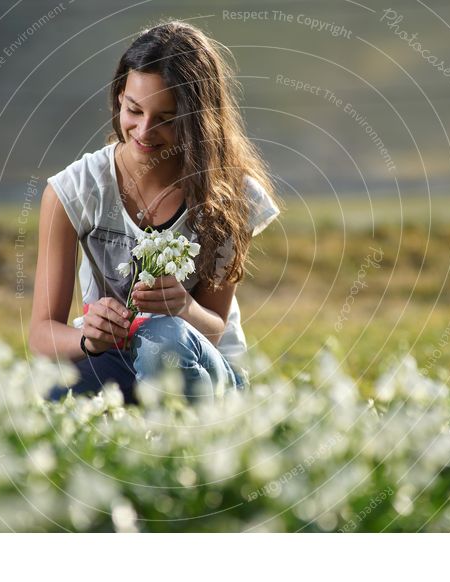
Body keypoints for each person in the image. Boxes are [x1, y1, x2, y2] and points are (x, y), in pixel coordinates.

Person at [29, 20, 281, 405]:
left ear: (198, 120)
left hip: (201, 364)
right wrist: (87, 336)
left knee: (163, 339)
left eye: (165, 119)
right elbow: (42, 333)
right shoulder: (73, 191)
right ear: (118, 97)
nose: (144, 131)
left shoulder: (229, 195)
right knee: (52, 394)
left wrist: (182, 306)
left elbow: (214, 329)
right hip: (114, 355)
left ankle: (189, 435)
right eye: (134, 109)